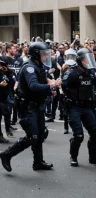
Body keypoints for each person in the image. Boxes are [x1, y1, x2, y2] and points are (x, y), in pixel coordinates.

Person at [0, 42, 61, 172]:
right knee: (32, 137)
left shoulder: (39, 66)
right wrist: (50, 86)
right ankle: (6, 154)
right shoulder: (29, 68)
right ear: (36, 55)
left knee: (40, 133)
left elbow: (43, 80)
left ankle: (38, 162)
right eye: (43, 54)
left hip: (38, 105)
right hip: (27, 107)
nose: (46, 57)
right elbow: (34, 86)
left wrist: (50, 86)